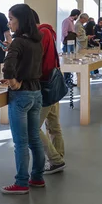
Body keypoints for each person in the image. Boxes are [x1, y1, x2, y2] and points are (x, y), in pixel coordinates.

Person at [0, 4, 45, 195]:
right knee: (34, 138)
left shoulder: (18, 42)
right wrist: (15, 78)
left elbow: (8, 66)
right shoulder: (37, 41)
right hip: (36, 93)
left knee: (20, 142)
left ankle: (21, 182)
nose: (9, 22)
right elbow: (28, 66)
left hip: (21, 96)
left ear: (21, 20)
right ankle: (37, 177)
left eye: (11, 18)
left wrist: (12, 81)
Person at [32, 10, 66, 175]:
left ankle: (56, 160)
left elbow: (39, 61)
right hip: (52, 85)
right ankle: (58, 156)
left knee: (33, 127)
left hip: (45, 85)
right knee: (53, 124)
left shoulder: (42, 34)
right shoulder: (48, 32)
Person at [61, 9, 80, 86]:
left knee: (71, 60)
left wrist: (75, 34)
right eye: (77, 16)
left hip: (71, 42)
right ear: (76, 15)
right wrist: (70, 36)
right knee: (67, 61)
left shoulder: (71, 22)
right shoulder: (67, 21)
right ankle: (66, 81)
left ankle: (69, 80)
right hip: (67, 43)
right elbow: (64, 32)